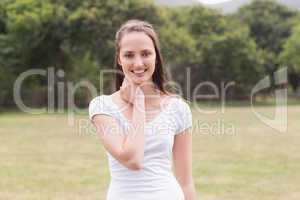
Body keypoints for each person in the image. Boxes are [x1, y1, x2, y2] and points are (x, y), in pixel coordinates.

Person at [89, 19, 197, 200]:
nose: (138, 63)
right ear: (119, 58)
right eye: (129, 55)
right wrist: (138, 102)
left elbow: (185, 181)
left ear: (156, 56)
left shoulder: (178, 108)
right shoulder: (102, 106)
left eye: (146, 53)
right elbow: (133, 160)